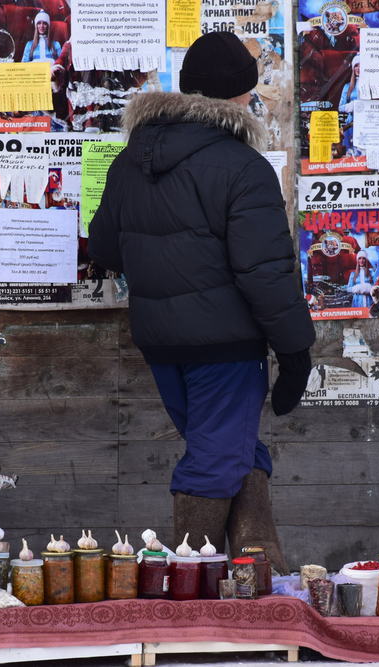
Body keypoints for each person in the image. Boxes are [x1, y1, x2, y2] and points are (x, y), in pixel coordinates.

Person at [88, 32, 314, 574]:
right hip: (226, 346)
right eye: (247, 91)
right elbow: (265, 273)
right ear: (236, 97)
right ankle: (188, 587)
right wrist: (296, 351)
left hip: (162, 342)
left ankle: (260, 572)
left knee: (232, 448)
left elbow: (103, 247)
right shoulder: (242, 168)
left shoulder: (131, 160)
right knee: (215, 459)